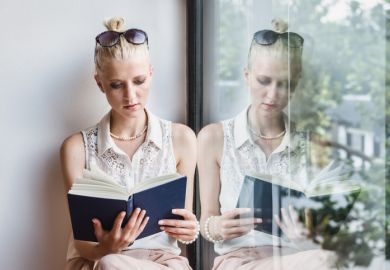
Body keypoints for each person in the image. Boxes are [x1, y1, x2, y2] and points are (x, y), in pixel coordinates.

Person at [197, 19, 338, 269]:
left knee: (326, 258)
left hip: (296, 259)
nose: (272, 95)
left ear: (295, 85)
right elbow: (206, 218)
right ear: (247, 76)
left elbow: (325, 235)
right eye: (264, 81)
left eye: (283, 84)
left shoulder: (313, 146)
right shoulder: (214, 138)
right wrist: (217, 226)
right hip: (239, 261)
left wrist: (307, 239)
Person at [60, 17, 198, 270]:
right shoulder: (76, 149)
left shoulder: (182, 139)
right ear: (100, 83)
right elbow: (81, 242)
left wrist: (189, 229)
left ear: (151, 74)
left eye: (139, 81)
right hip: (100, 261)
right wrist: (106, 248)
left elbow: (182, 229)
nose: (131, 96)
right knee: (111, 263)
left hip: (161, 263)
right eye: (116, 85)